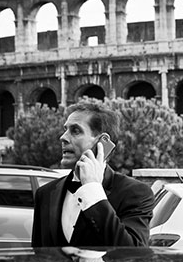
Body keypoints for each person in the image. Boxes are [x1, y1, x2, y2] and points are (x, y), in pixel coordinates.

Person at [31, 101, 154, 247]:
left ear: (102, 142)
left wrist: (92, 190)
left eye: (75, 131)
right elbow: (39, 259)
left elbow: (133, 253)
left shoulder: (135, 193)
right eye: (65, 129)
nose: (63, 137)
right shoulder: (45, 193)